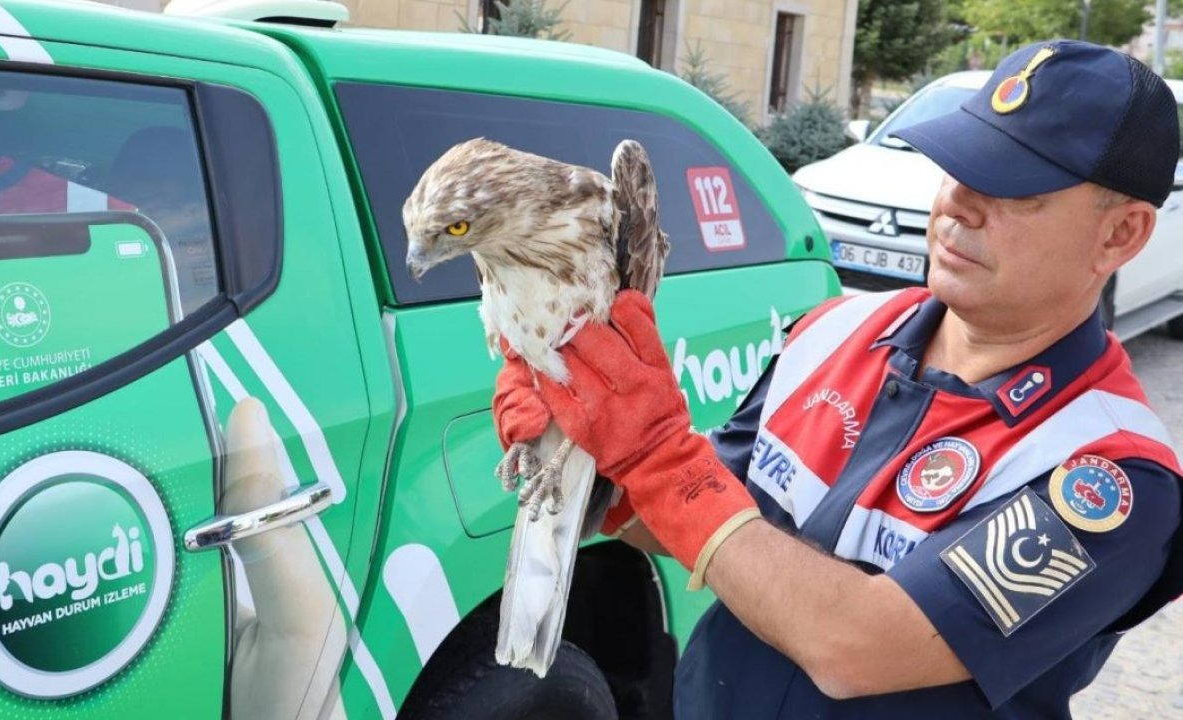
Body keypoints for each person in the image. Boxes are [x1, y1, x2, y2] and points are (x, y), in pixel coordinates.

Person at [492, 39, 1183, 718]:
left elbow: (856, 646)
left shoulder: (1109, 474)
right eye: (958, 167)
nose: (959, 205)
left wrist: (657, 457)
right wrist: (592, 466)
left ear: (1120, 235)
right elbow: (711, 522)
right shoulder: (834, 330)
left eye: (1015, 189)